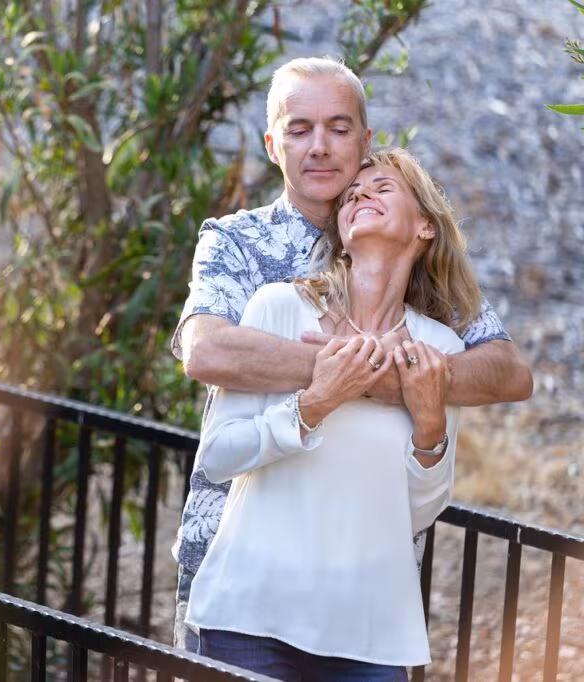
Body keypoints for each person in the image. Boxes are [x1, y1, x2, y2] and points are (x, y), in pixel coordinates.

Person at [171, 56, 534, 653]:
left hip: (360, 597)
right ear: (271, 144)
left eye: (339, 129)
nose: (319, 147)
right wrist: (361, 370)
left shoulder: (414, 264)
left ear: (365, 141)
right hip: (237, 571)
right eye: (299, 129)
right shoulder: (237, 240)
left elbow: (507, 371)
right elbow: (208, 351)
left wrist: (407, 389)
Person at [185, 147, 473, 680]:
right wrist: (313, 404)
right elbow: (218, 458)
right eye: (352, 195)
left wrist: (431, 426)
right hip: (250, 616)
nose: (361, 194)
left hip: (372, 637)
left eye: (383, 188)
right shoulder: (278, 308)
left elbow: (417, 511)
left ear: (426, 227)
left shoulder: (441, 347)